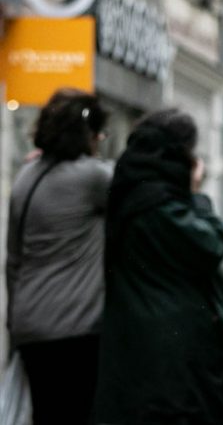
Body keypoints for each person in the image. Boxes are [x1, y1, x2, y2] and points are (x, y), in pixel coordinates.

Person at [94, 109, 223, 425]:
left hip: (139, 352)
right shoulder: (160, 205)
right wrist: (199, 198)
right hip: (173, 360)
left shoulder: (131, 195)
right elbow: (210, 246)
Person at [6, 88, 111, 424]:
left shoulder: (26, 177)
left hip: (30, 324)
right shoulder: (92, 177)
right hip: (75, 325)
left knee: (46, 414)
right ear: (89, 134)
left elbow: (13, 259)